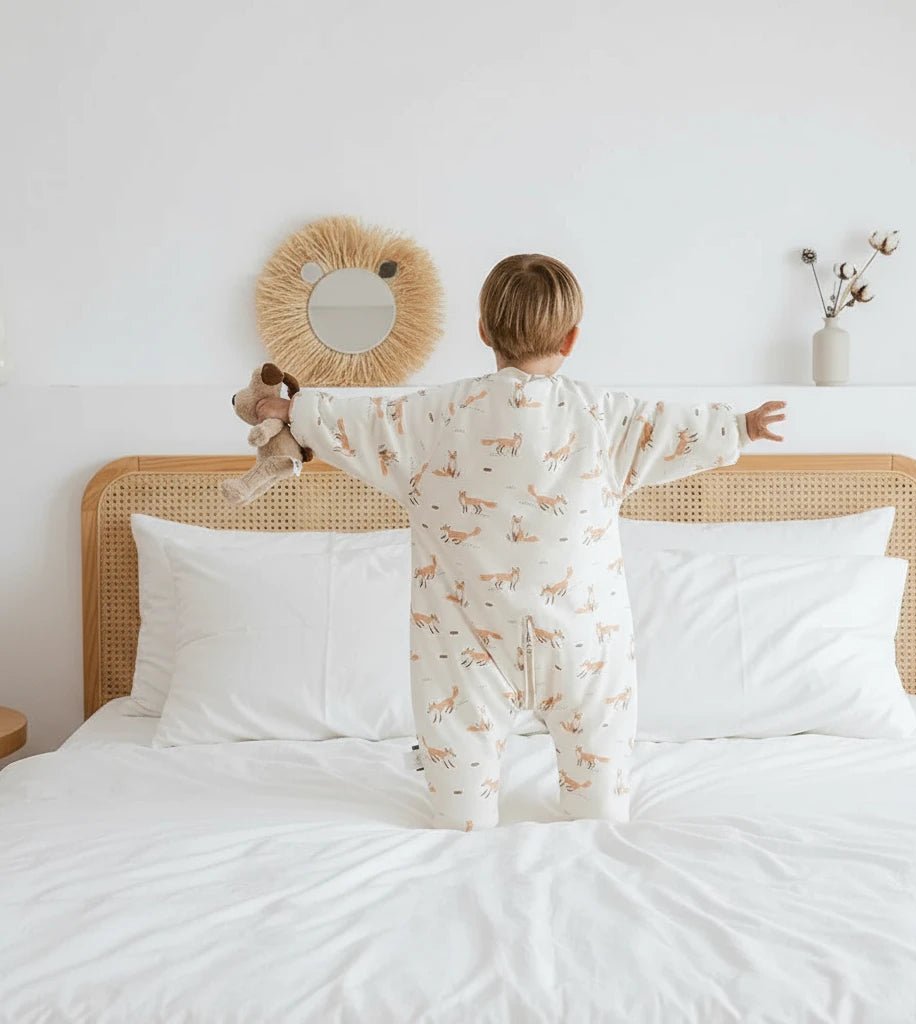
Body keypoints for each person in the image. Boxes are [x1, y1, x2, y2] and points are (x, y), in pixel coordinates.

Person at [256, 254, 785, 830]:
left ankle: (466, 819)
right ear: (573, 337)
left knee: (460, 818)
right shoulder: (604, 418)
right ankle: (595, 818)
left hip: (464, 649)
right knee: (601, 810)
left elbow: (351, 421)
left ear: (482, 331)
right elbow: (675, 429)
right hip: (583, 645)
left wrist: (289, 411)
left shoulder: (429, 417)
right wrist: (741, 427)